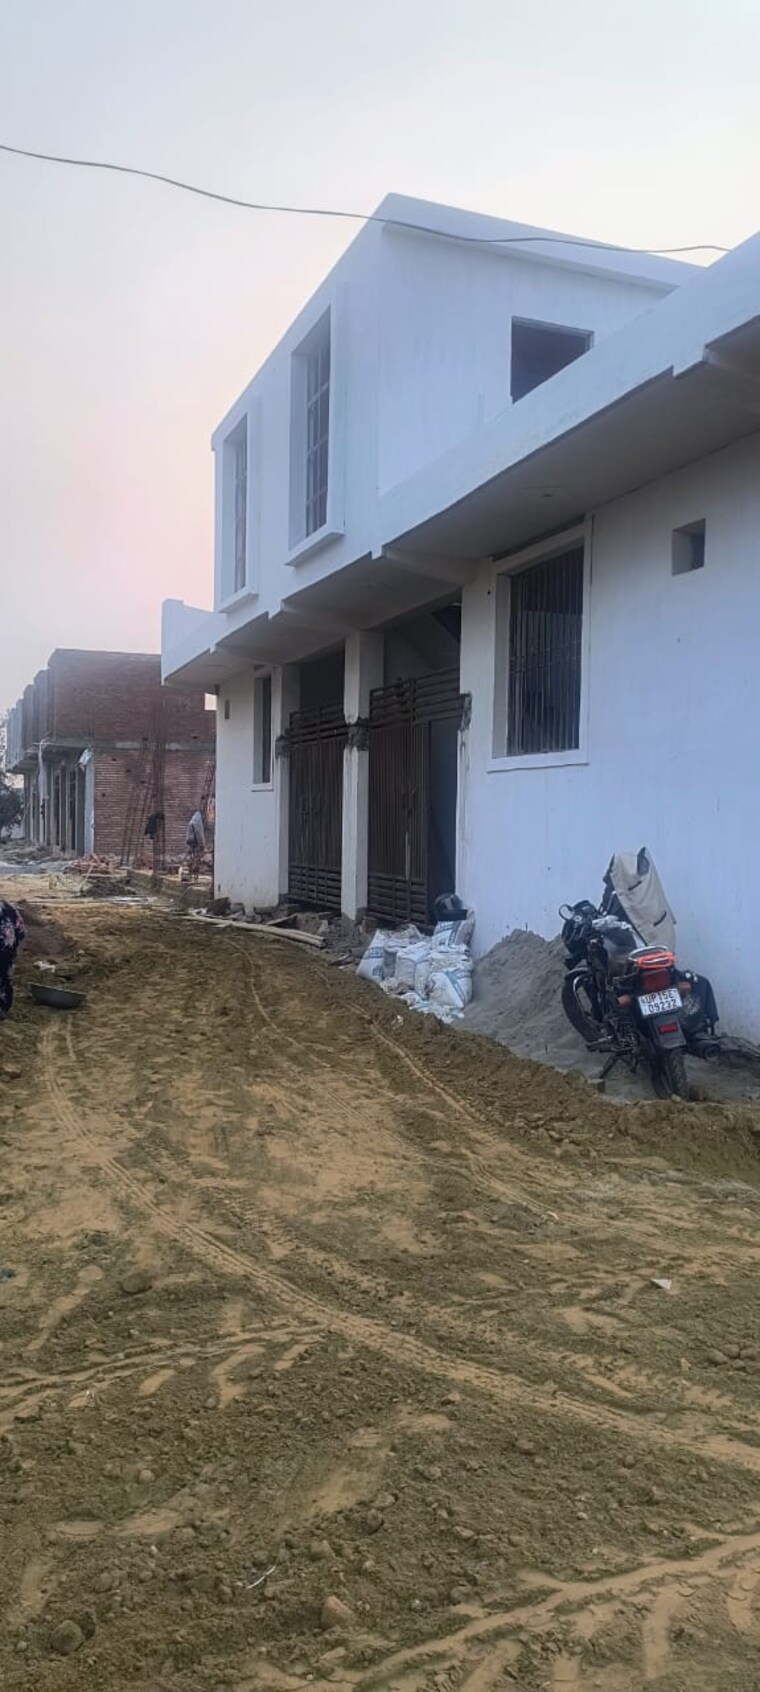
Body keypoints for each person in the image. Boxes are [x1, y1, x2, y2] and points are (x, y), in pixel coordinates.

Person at [0, 900, 26, 1019]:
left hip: (5, 952)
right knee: (5, 980)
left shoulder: (8, 908)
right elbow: (21, 933)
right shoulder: (9, 908)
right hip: (7, 953)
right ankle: (2, 1009)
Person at [185, 808, 206, 878]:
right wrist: (202, 844)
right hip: (194, 842)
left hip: (191, 841)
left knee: (192, 857)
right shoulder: (197, 820)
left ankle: (191, 873)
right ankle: (194, 874)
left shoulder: (194, 819)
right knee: (196, 858)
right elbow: (199, 832)